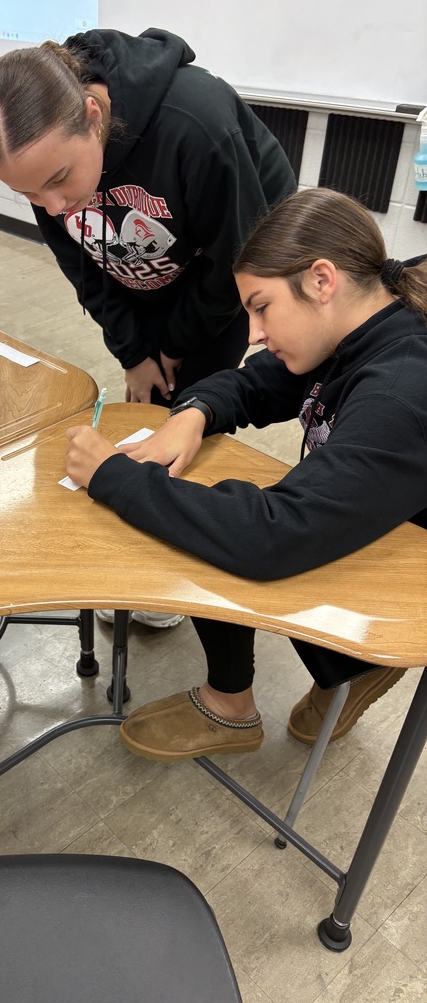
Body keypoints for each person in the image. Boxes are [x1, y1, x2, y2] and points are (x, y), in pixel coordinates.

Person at [64, 187, 427, 759]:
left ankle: (359, 661)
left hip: (410, 561)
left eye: (261, 307)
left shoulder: (402, 388)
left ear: (322, 281)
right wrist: (194, 414)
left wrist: (112, 475)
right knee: (207, 501)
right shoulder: (358, 318)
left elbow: (271, 536)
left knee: (216, 526)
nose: (254, 332)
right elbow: (255, 382)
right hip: (374, 498)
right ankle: (253, 694)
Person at [0, 26, 296, 630]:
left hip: (228, 271)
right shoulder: (43, 166)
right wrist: (135, 352)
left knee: (198, 408)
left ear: (93, 116)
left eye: (59, 180)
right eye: (27, 193)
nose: (50, 205)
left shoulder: (195, 122)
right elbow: (85, 263)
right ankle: (140, 525)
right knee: (146, 401)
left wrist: (173, 345)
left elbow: (237, 259)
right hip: (148, 261)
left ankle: (184, 565)